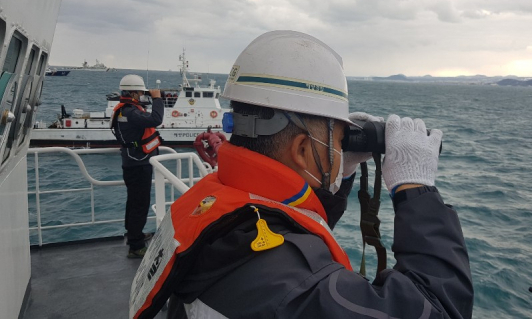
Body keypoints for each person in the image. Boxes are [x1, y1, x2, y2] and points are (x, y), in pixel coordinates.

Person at [130, 31, 473, 318]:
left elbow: (290, 225)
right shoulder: (295, 288)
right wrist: (416, 190)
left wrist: (341, 171)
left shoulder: (216, 203)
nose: (341, 145)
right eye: (338, 137)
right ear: (301, 151)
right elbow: (438, 308)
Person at [111, 74, 163, 258]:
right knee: (139, 204)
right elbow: (155, 119)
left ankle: (135, 235)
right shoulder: (131, 112)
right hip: (138, 163)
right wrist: (157, 98)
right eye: (140, 92)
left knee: (133, 202)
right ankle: (136, 246)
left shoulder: (125, 110)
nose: (142, 95)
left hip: (131, 160)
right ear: (133, 93)